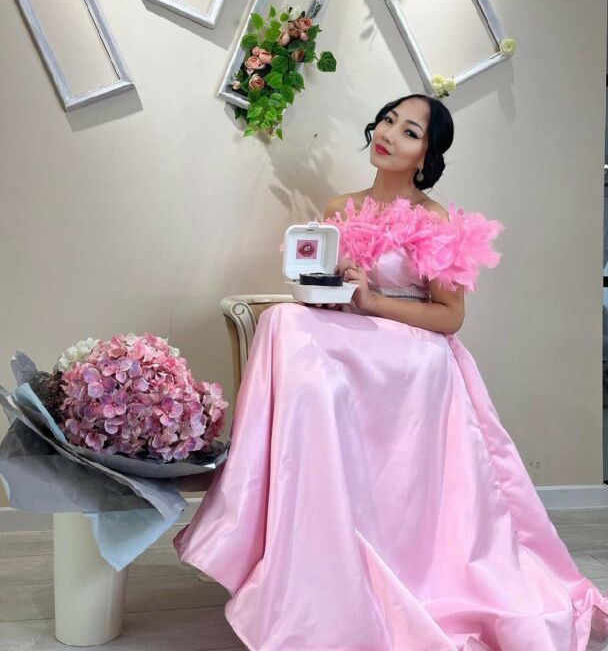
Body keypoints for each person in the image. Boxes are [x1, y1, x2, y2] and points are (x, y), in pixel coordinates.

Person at [174, 95, 608, 650]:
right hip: (353, 338)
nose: (389, 133)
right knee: (285, 319)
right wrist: (328, 290)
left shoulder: (433, 218)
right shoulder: (340, 207)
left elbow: (450, 318)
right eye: (387, 120)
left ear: (426, 154)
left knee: (290, 327)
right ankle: (298, 519)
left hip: (413, 354)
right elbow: (323, 289)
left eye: (409, 131)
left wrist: (372, 301)